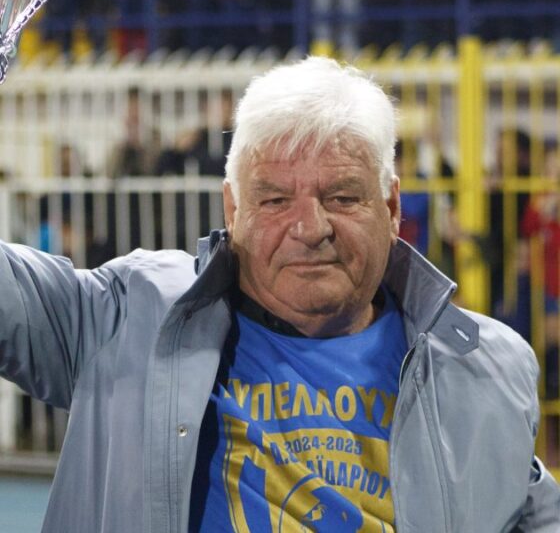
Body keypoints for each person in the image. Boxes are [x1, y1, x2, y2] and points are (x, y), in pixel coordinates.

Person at [0, 57, 559, 533]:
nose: (310, 228)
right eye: (274, 201)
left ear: (391, 208)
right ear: (232, 209)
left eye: (342, 197)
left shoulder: (484, 368)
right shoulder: (126, 314)